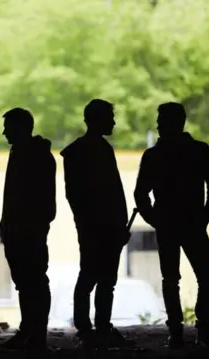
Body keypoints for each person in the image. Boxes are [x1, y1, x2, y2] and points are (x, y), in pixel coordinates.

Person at [134, 102, 209, 348]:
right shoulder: (200, 151)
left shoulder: (153, 156)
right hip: (192, 223)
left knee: (171, 279)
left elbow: (141, 195)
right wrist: (204, 216)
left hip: (169, 225)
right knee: (205, 277)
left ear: (174, 123)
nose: (159, 125)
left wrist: (155, 219)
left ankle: (177, 332)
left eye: (162, 120)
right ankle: (203, 330)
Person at [61, 99, 133, 349]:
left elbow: (82, 194)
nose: (113, 122)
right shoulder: (96, 150)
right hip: (99, 226)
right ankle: (94, 325)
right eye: (109, 118)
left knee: (93, 276)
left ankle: (89, 325)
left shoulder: (80, 151)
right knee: (100, 278)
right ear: (98, 120)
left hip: (97, 225)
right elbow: (108, 191)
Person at [0, 108, 56, 350]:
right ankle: (30, 332)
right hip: (20, 228)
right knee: (27, 282)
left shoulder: (33, 156)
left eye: (8, 127)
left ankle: (36, 335)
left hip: (28, 228)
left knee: (33, 281)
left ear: (20, 128)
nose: (3, 132)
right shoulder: (27, 153)